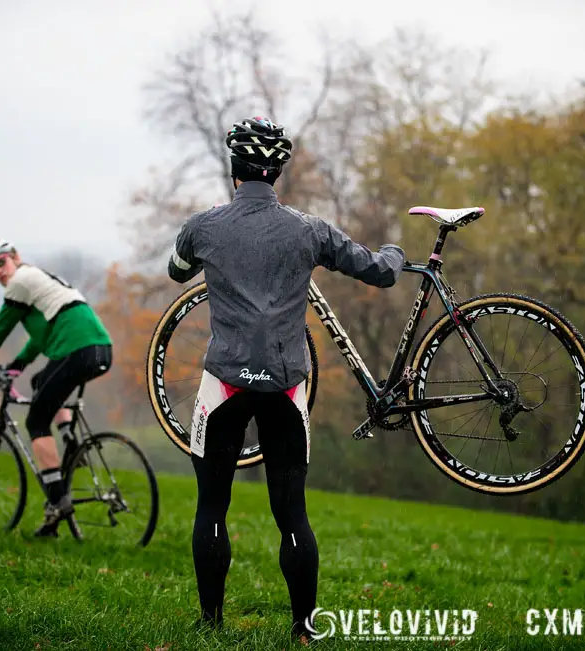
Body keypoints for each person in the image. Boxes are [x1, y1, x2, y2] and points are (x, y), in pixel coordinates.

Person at [167, 116, 406, 640]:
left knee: (212, 505)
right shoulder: (308, 229)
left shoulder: (203, 226)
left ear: (235, 169)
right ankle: (302, 629)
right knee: (292, 513)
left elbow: (177, 270)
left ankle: (210, 626)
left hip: (224, 382)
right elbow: (378, 271)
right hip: (286, 384)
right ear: (278, 171)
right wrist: (395, 254)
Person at [0, 239, 114, 537]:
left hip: (77, 348)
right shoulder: (38, 282)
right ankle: (71, 442)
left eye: (1, 263)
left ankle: (58, 501)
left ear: (16, 258)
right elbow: (43, 335)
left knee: (35, 420)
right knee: (39, 382)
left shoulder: (20, 280)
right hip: (100, 349)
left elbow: (0, 326)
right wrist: (19, 364)